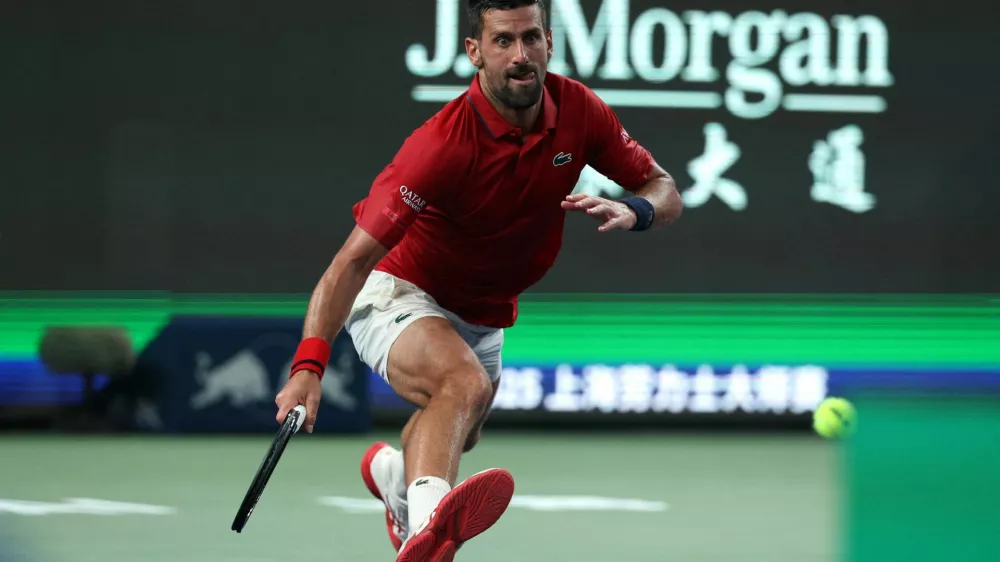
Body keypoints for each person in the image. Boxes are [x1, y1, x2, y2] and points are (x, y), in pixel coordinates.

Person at [274, 0, 683, 560]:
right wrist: (308, 366)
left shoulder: (580, 111)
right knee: (461, 386)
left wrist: (637, 210)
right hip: (399, 289)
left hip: (484, 311)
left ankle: (395, 478)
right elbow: (350, 261)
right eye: (503, 41)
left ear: (549, 42)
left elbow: (664, 188)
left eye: (532, 38)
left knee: (458, 426)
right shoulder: (442, 145)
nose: (521, 56)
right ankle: (424, 538)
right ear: (474, 51)